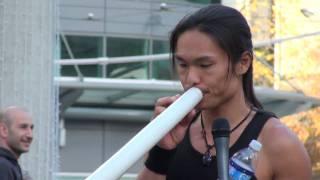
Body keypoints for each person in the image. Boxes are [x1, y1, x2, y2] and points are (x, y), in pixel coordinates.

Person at [137, 4, 311, 180]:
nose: (191, 78)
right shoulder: (171, 130)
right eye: (182, 64)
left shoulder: (279, 143)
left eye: (205, 65)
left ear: (243, 63)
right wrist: (160, 153)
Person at [0, 106, 34, 180]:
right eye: (23, 127)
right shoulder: (3, 167)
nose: (30, 135)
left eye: (31, 128)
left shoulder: (9, 165)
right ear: (4, 130)